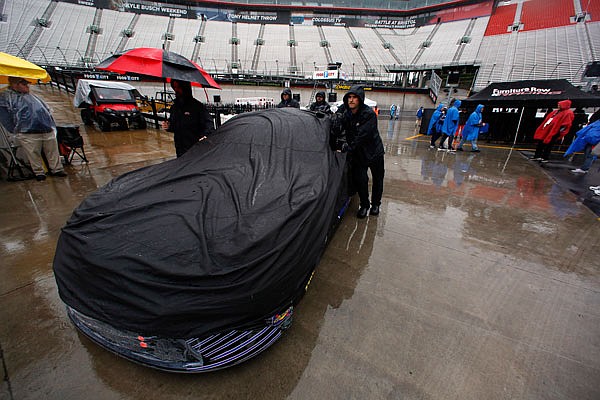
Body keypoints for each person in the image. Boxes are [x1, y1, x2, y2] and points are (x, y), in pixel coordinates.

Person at [0, 76, 67, 181]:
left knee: (52, 150)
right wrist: (15, 129)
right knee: (33, 153)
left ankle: (56, 169)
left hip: (45, 128)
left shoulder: (32, 96)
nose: (27, 86)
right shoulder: (7, 97)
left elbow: (45, 109)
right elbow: (5, 116)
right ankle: (39, 172)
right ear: (15, 85)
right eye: (24, 84)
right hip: (27, 131)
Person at [335, 85, 385, 219]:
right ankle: (364, 205)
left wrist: (348, 148)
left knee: (378, 180)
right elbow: (339, 126)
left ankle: (376, 204)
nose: (351, 100)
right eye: (349, 98)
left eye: (354, 98)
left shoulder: (368, 114)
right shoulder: (347, 113)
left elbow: (362, 136)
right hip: (359, 154)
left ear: (360, 99)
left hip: (374, 153)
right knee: (361, 180)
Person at [162, 79, 215, 158]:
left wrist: (205, 135)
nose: (176, 90)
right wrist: (168, 126)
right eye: (175, 87)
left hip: (195, 149)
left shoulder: (197, 106)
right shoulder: (174, 107)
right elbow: (174, 125)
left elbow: (209, 123)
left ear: (185, 88)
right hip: (180, 150)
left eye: (179, 87)